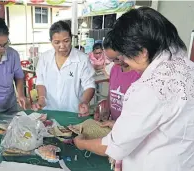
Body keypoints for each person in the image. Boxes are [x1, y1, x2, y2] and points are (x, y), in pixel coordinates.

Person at [74, 7, 194, 171]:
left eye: (124, 56)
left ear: (142, 52)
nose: (123, 61)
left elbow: (114, 147)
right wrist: (120, 124)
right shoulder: (188, 68)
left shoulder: (150, 87)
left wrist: (81, 143)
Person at [32, 21, 95, 116]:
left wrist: (84, 102)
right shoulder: (45, 58)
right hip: (49, 111)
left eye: (66, 41)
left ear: (71, 38)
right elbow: (41, 82)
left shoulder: (82, 59)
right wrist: (41, 99)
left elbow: (89, 85)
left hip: (73, 112)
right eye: (57, 42)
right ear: (51, 41)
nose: (62, 46)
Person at [96, 59, 141, 127]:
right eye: (113, 60)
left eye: (117, 58)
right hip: (114, 123)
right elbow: (111, 91)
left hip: (129, 127)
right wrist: (107, 109)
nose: (115, 62)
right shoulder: (115, 68)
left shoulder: (139, 74)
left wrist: (120, 125)